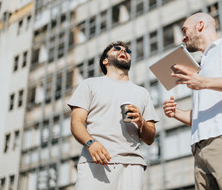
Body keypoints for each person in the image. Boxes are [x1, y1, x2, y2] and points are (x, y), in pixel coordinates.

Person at [163, 13, 222, 190]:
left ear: (200, 25)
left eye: (185, 31)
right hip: (200, 150)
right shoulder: (201, 67)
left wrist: (204, 82)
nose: (183, 37)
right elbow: (201, 117)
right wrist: (176, 113)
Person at [68, 41, 159, 190]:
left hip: (132, 165)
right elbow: (76, 122)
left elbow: (149, 139)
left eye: (127, 50)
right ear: (105, 60)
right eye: (117, 49)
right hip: (96, 160)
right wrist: (91, 143)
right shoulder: (89, 85)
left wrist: (141, 122)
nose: (123, 50)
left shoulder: (142, 93)